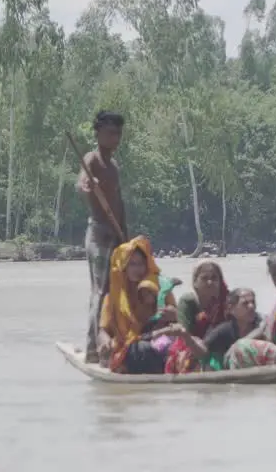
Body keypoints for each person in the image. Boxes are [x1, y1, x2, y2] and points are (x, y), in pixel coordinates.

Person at [78, 110, 127, 364]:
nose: (115, 138)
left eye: (118, 133)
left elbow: (119, 202)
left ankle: (113, 343)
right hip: (98, 233)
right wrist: (88, 184)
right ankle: (92, 349)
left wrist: (126, 237)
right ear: (98, 133)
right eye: (110, 133)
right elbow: (83, 181)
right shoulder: (93, 158)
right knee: (100, 291)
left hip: (117, 233)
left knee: (115, 289)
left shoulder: (114, 166)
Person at [96, 236, 168, 374]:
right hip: (126, 349)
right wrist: (105, 342)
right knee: (139, 350)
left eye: (141, 264)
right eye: (132, 264)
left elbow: (177, 320)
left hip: (157, 345)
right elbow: (103, 330)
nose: (137, 269)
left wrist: (171, 314)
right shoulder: (111, 298)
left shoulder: (159, 290)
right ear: (123, 267)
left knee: (147, 349)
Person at [163, 261, 229, 373]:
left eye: (214, 278)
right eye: (204, 278)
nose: (210, 282)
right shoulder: (188, 301)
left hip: (218, 348)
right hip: (191, 346)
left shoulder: (227, 302)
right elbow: (185, 333)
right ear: (195, 282)